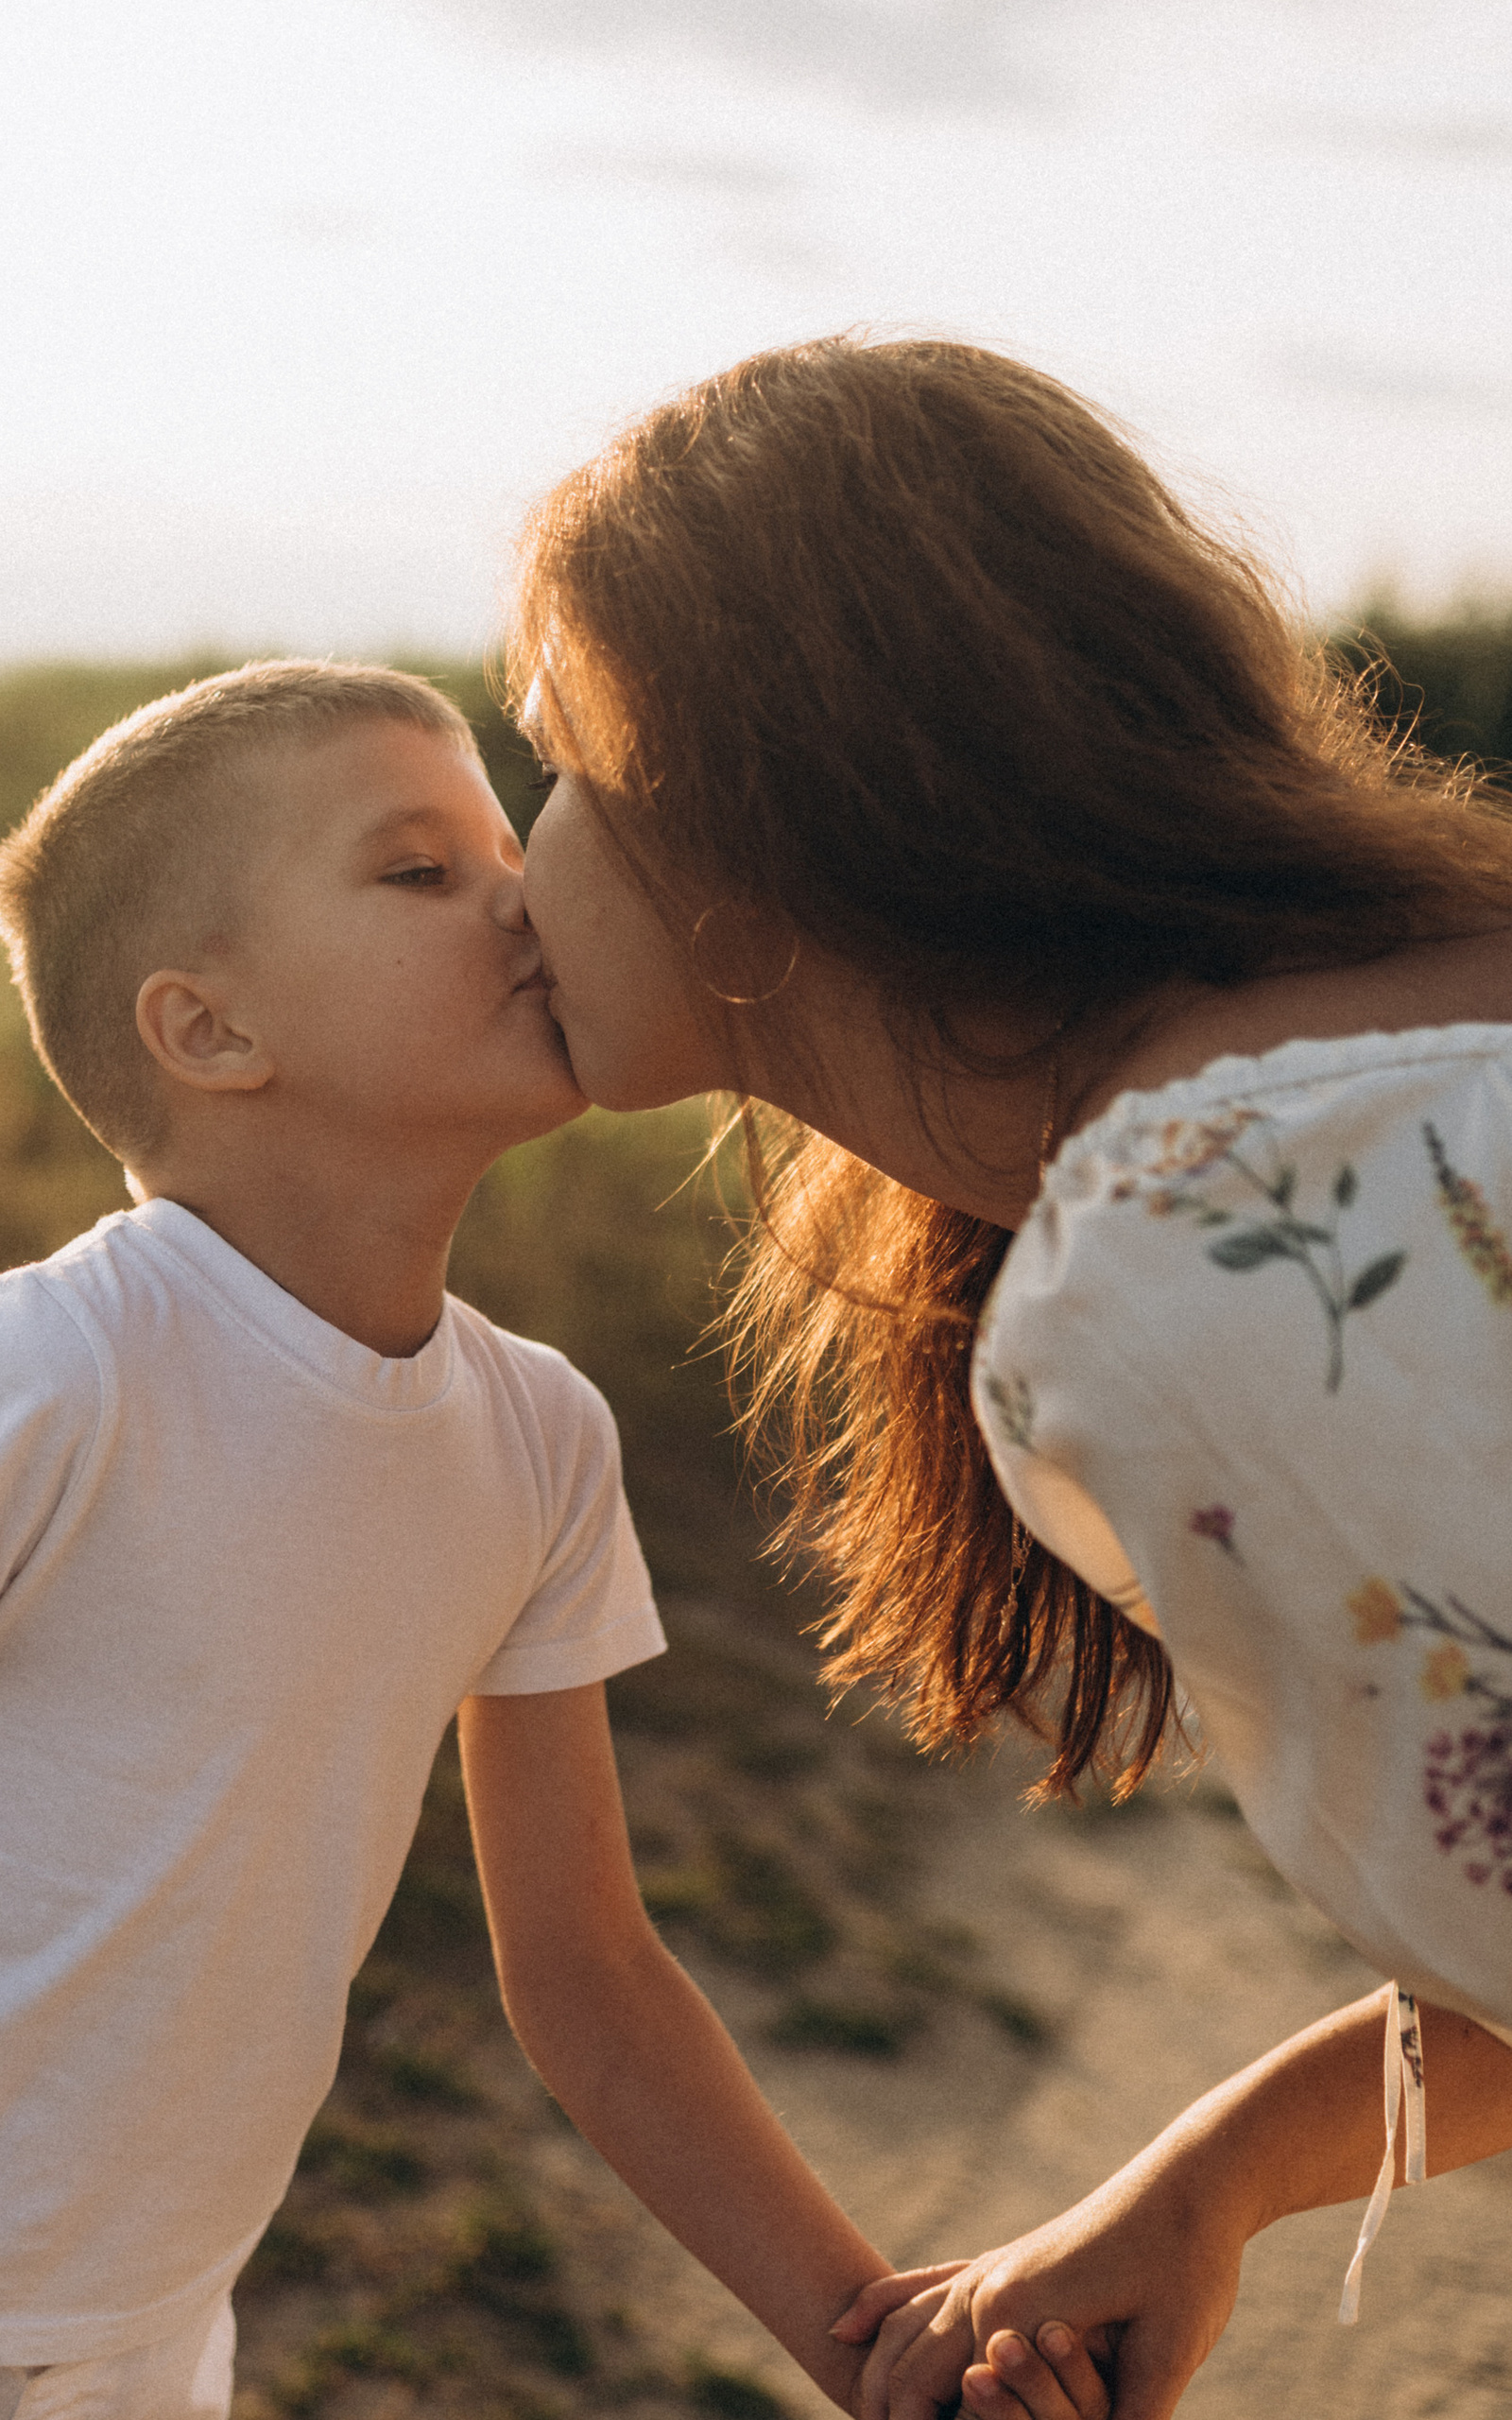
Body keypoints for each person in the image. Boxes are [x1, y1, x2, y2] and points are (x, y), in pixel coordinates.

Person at [0, 660, 1099, 2420]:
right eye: (418, 872)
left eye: (501, 849)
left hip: (161, 2320)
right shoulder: (57, 1371)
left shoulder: (538, 1438)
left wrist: (871, 2349)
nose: (523, 898)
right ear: (209, 1032)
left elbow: (593, 1975)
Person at [511, 334, 1512, 2420]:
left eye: (557, 762)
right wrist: (1217, 2176)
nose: (521, 862)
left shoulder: (1176, 1262)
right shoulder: (1343, 1074)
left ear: (746, 804)